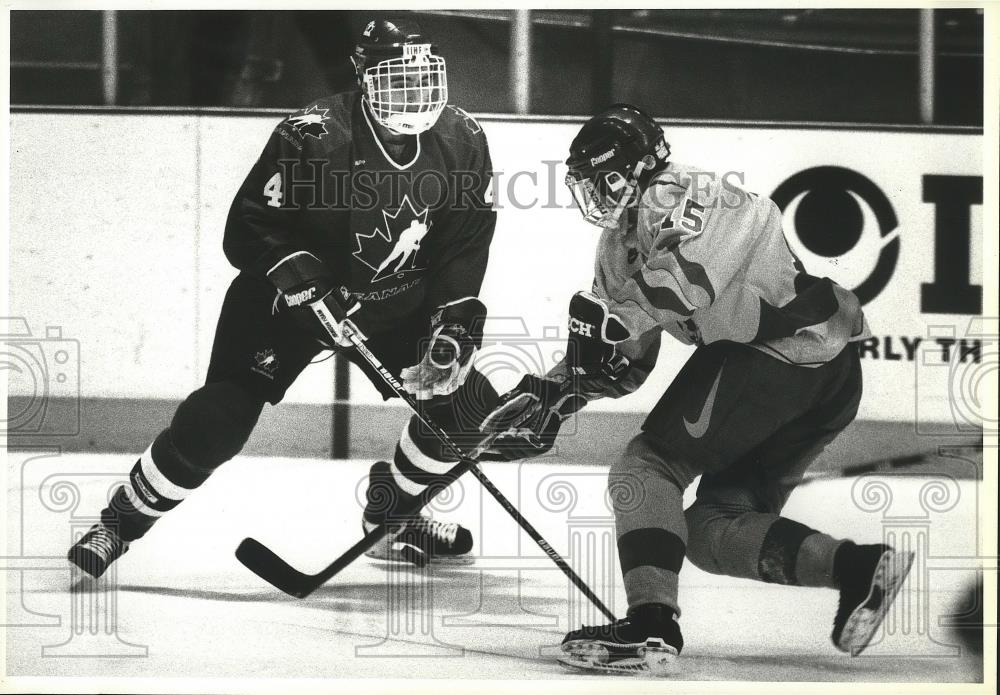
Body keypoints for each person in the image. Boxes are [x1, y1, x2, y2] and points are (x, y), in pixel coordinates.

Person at [481, 104, 914, 675]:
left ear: (642, 166)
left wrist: (612, 323)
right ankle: (857, 568)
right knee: (712, 530)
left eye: (606, 179)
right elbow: (624, 362)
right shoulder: (617, 249)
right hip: (818, 373)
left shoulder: (690, 193)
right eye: (586, 184)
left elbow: (686, 284)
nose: (596, 195)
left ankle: (651, 626)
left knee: (645, 470)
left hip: (778, 354)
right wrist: (554, 396)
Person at [69, 18, 498, 577]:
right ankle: (117, 525)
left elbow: (464, 243)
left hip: (393, 305)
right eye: (396, 82)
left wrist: (454, 323)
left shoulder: (463, 139)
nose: (413, 98)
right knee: (217, 420)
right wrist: (302, 278)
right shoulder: (312, 135)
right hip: (285, 307)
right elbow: (248, 228)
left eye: (422, 82)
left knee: (467, 411)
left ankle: (394, 510)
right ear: (363, 77)